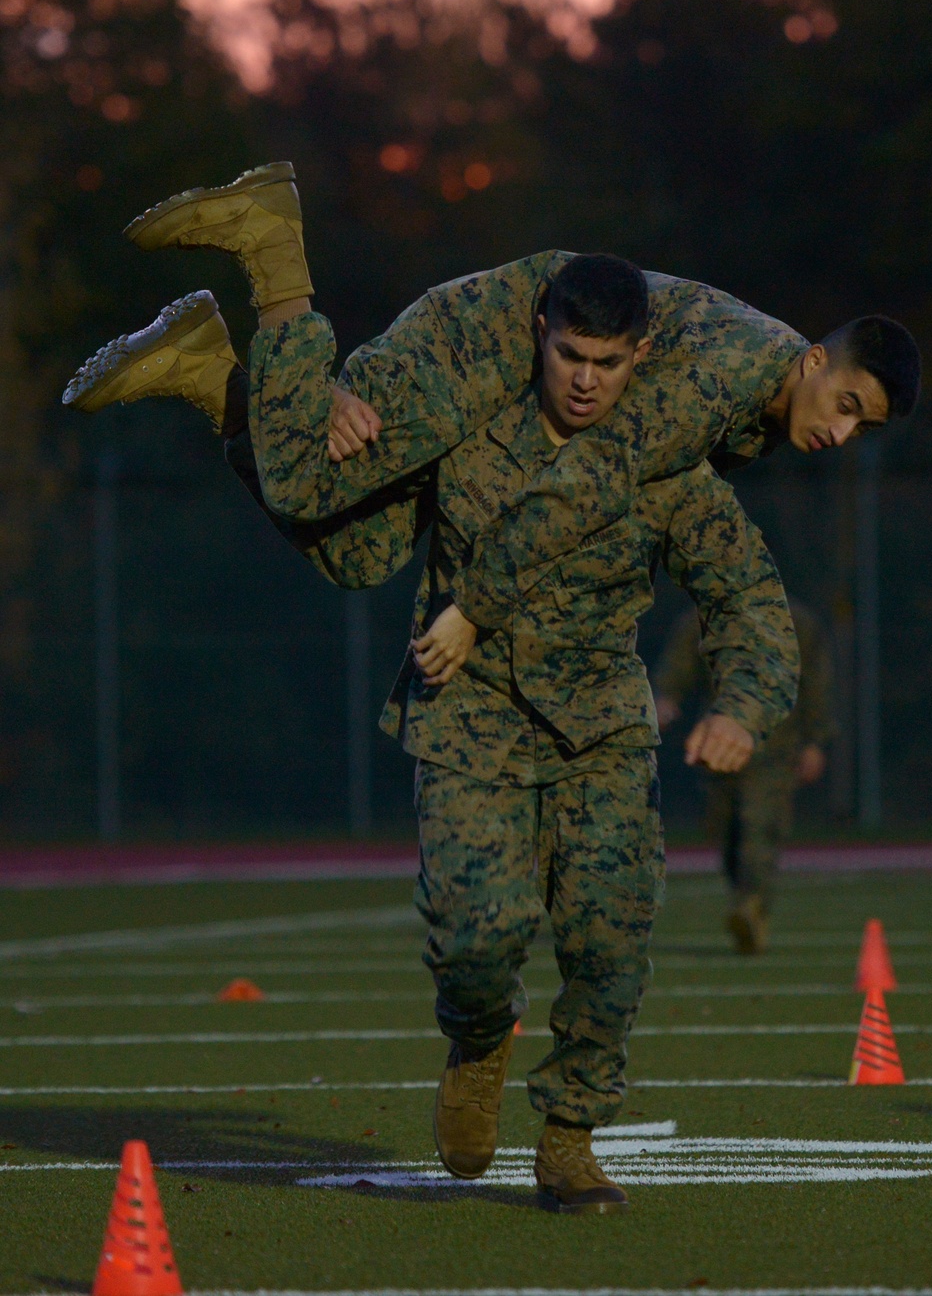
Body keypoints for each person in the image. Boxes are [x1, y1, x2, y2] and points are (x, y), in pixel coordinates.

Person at [64, 255, 799, 1214]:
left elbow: (746, 592)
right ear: (539, 331)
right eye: (572, 354)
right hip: (469, 715)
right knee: (473, 941)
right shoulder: (463, 415)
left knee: (610, 943)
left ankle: (570, 1139)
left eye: (611, 364)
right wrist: (323, 400)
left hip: (600, 735)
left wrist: (742, 705)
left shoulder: (658, 458)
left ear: (641, 357)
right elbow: (343, 503)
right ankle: (480, 1038)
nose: (586, 380)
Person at [62, 161, 921, 664]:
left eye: (862, 428)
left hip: (523, 410)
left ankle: (215, 376)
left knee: (358, 555)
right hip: (496, 345)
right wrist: (478, 609)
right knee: (301, 474)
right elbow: (590, 481)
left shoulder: (768, 410)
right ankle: (272, 245)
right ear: (815, 358)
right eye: (846, 404)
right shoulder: (728, 380)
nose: (840, 434)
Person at [654, 598, 837, 954]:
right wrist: (666, 697)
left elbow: (816, 683)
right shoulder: (701, 621)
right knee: (726, 831)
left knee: (759, 825)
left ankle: (752, 905)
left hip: (775, 745)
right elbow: (677, 668)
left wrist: (815, 741)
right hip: (720, 746)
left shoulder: (797, 623)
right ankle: (745, 898)